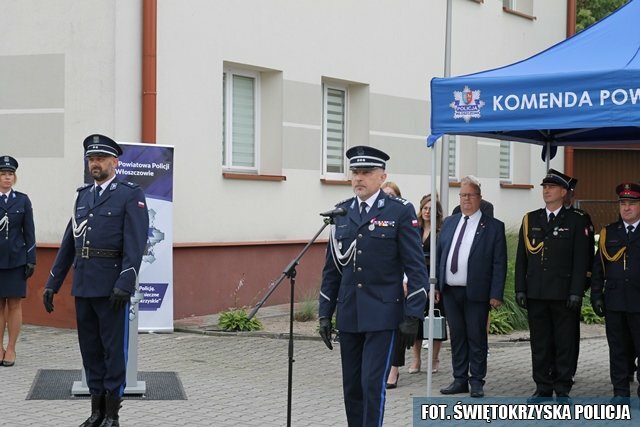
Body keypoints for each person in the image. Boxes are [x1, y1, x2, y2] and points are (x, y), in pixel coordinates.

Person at [43, 135, 149, 427]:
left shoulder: (130, 194)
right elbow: (70, 242)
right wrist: (53, 282)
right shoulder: (82, 196)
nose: (95, 164)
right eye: (91, 159)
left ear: (115, 162)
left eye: (100, 159)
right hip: (84, 284)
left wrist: (125, 282)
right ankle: (96, 412)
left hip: (112, 286)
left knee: (113, 351)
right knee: (90, 350)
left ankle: (112, 415)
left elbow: (136, 243)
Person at [318, 145, 428, 426]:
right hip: (349, 312)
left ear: (382, 177)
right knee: (352, 387)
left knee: (371, 384)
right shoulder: (341, 212)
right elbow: (332, 270)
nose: (359, 177)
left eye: (366, 172)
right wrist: (324, 313)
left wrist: (414, 314)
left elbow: (416, 267)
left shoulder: (399, 210)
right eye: (355, 171)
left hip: (382, 313)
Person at [515, 169, 589, 401]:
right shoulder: (531, 219)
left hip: (563, 294)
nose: (546, 191)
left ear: (563, 192)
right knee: (540, 344)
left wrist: (576, 291)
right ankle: (543, 387)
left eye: (552, 187)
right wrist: (520, 288)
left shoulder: (576, 220)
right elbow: (522, 258)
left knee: (565, 343)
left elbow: (581, 260)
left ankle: (563, 387)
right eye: (544, 187)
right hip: (537, 292)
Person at [436, 176, 506, 398]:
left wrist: (496, 293)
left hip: (477, 291)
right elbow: (440, 255)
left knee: (476, 337)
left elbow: (499, 262)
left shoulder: (493, 227)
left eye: (471, 195)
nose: (466, 199)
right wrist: (436, 285)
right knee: (457, 337)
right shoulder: (450, 222)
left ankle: (476, 380)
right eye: (463, 195)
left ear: (479, 198)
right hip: (450, 290)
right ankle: (459, 379)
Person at [591, 182, 640, 400]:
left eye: (632, 203)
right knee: (617, 349)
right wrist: (596, 295)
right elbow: (598, 267)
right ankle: (620, 392)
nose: (626, 208)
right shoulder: (609, 232)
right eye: (623, 203)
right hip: (615, 301)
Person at [0, 156, 36, 367]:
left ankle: (11, 348)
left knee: (14, 304)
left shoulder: (22, 200)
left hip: (16, 260)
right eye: (3, 174)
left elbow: (29, 232)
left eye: (10, 174)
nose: (7, 177)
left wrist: (31, 259)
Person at [563, 177, 595, 381]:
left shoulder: (581, 217)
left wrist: (585, 279)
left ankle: (569, 370)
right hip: (551, 285)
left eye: (569, 192)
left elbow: (587, 253)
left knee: (570, 332)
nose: (567, 196)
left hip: (571, 284)